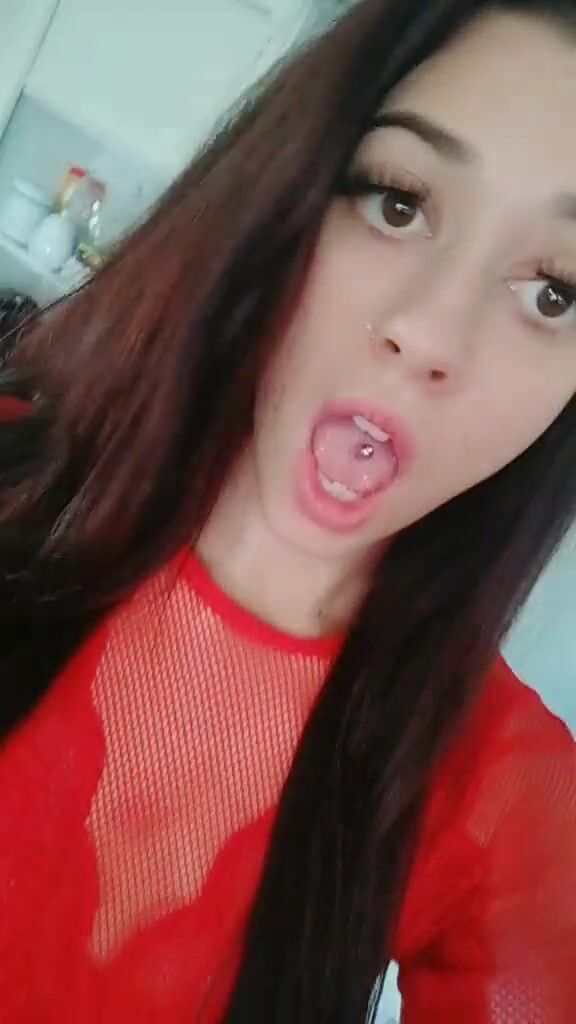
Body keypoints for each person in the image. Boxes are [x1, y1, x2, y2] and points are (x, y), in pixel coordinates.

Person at [0, 0, 575, 1020]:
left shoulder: (505, 793)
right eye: (397, 202)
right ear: (288, 194)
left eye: (556, 292)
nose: (427, 330)